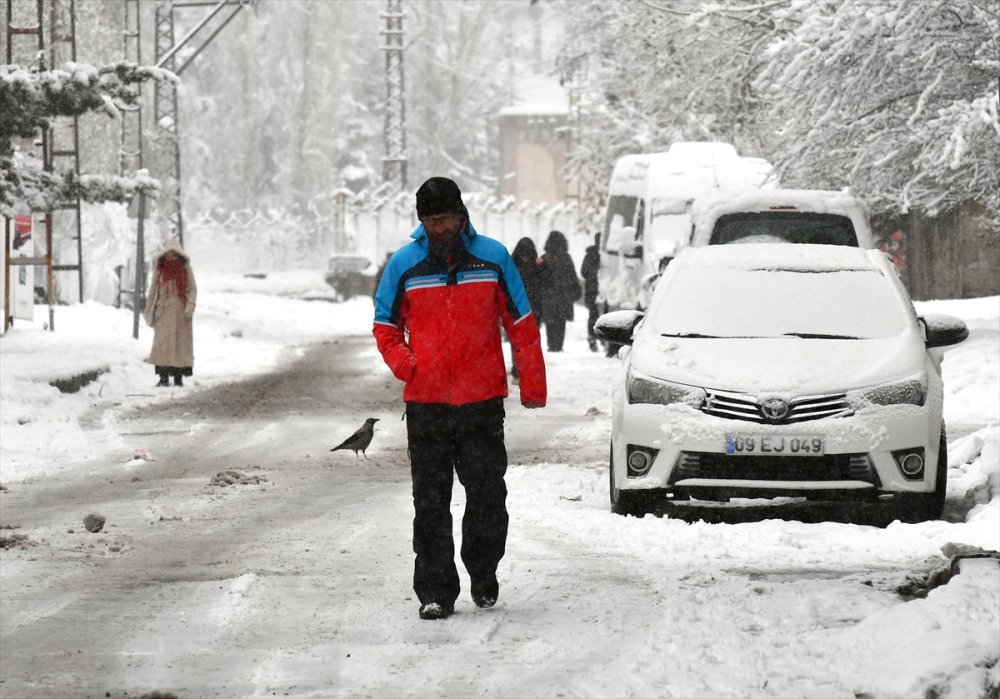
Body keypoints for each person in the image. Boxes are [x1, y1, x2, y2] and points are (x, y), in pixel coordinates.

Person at [373, 176, 547, 621]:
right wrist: (408, 367)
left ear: (461, 215)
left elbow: (522, 323)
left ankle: (483, 570)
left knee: (487, 495)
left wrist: (532, 384)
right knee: (429, 501)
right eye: (431, 221)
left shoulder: (492, 258)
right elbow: (385, 327)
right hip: (426, 405)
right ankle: (435, 591)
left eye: (446, 219)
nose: (440, 228)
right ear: (422, 222)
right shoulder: (404, 266)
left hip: (481, 401)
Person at [144, 238, 197, 387]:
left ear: (179, 255)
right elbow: (153, 290)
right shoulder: (159, 269)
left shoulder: (185, 269)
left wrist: (190, 305)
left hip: (181, 312)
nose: (172, 257)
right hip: (163, 312)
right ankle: (163, 377)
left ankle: (178, 378)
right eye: (169, 254)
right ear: (165, 255)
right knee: (163, 345)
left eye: (175, 254)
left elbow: (192, 288)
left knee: (180, 344)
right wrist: (149, 311)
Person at [537, 229, 581, 352]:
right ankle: (559, 345)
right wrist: (575, 291)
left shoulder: (544, 258)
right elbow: (573, 276)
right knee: (561, 322)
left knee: (550, 322)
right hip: (563, 296)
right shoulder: (566, 258)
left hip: (548, 296)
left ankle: (551, 345)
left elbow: (539, 278)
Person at [509, 237, 544, 382]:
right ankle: (518, 370)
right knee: (518, 342)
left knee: (527, 342)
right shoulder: (531, 267)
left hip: (528, 309)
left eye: (527, 254)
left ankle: (525, 370)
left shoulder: (513, 266)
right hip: (519, 309)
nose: (524, 257)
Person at [580, 232, 601, 352]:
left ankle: (593, 336)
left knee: (593, 315)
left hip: (592, 289)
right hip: (598, 289)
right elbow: (584, 271)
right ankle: (597, 337)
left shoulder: (590, 255)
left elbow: (583, 271)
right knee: (598, 314)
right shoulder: (604, 255)